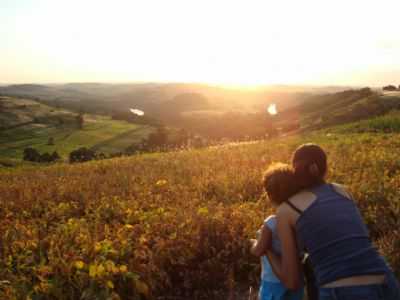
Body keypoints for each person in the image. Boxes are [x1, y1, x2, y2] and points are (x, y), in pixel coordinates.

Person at [265, 143, 400, 300]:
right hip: (385, 281)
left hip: (342, 291)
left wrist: (266, 249)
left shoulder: (287, 209)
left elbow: (292, 281)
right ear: (325, 168)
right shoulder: (342, 191)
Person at [250, 163, 304, 300]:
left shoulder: (271, 223)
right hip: (298, 278)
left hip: (273, 282)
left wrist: (253, 243)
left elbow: (259, 250)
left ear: (269, 194)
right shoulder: (300, 219)